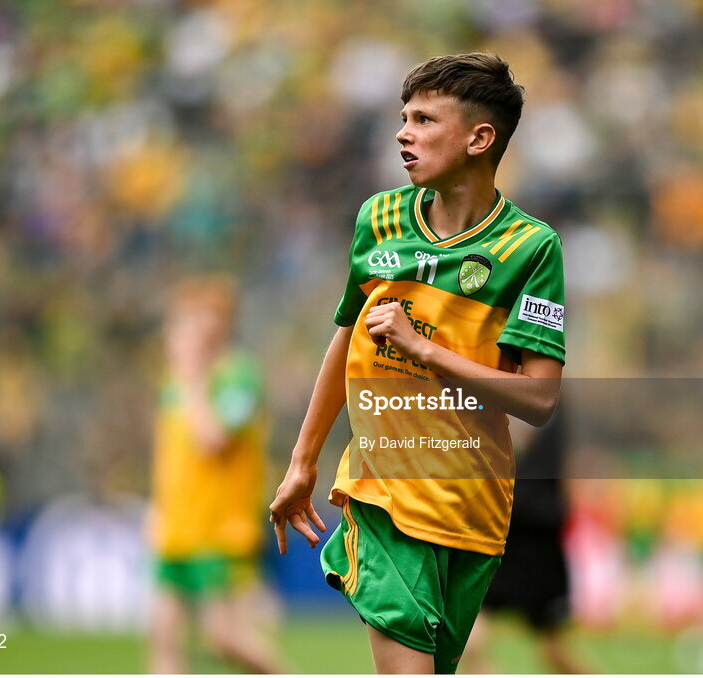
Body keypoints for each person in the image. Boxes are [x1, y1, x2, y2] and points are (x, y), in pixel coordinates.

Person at [269, 53, 566, 674]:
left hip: (473, 505)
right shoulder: (377, 220)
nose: (404, 132)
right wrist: (303, 462)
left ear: (479, 138)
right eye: (404, 118)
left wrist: (425, 349)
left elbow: (538, 400)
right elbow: (347, 337)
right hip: (384, 495)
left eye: (425, 119)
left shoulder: (531, 248)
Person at [148, 276, 282, 674]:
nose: (184, 331)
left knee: (222, 637)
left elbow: (213, 441)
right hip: (176, 526)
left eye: (196, 320)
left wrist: (192, 378)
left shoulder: (239, 378)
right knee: (163, 641)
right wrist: (156, 509)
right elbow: (168, 454)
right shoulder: (174, 381)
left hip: (220, 529)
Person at [462, 412, 589, 674]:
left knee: (554, 652)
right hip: (514, 535)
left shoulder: (542, 406)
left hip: (535, 540)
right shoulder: (519, 398)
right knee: (474, 639)